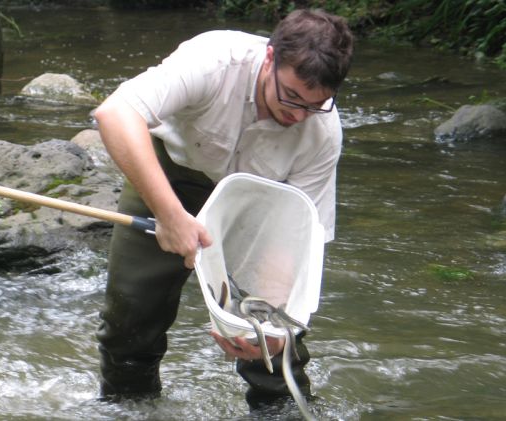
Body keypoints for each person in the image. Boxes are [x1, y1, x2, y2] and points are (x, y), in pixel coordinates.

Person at [92, 8, 354, 407]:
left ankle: (281, 413)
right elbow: (115, 114)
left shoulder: (321, 133)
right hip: (172, 178)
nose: (298, 114)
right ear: (270, 58)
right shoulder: (214, 60)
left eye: (314, 104)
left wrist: (263, 323)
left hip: (264, 205)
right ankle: (130, 410)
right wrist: (169, 215)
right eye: (292, 96)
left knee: (273, 337)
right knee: (129, 322)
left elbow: (294, 239)